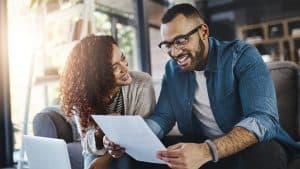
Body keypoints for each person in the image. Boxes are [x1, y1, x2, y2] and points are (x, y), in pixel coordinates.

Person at [106, 3, 300, 169]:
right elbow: (163, 117)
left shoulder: (241, 56)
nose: (174, 52)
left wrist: (207, 150)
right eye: (167, 45)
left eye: (180, 41)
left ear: (203, 32)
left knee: (262, 152)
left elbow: (263, 119)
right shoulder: (172, 71)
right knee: (141, 155)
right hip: (203, 146)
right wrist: (129, 140)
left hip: (250, 148)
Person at [60, 35, 156, 169]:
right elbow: (86, 143)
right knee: (91, 164)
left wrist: (108, 157)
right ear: (97, 74)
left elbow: (142, 134)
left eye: (123, 58)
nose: (125, 69)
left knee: (124, 162)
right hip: (99, 149)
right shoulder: (82, 95)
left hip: (133, 148)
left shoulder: (142, 83)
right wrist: (100, 133)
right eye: (115, 67)